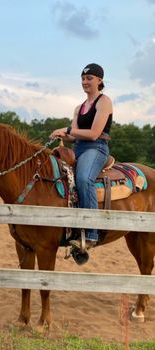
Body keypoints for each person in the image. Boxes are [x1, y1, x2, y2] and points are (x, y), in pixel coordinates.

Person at [49, 63, 113, 250]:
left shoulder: (104, 101)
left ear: (99, 80)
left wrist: (68, 130)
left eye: (89, 78)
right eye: (83, 79)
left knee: (84, 178)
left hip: (97, 147)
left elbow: (93, 133)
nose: (85, 82)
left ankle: (92, 233)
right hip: (79, 147)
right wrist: (61, 134)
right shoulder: (79, 107)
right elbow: (73, 135)